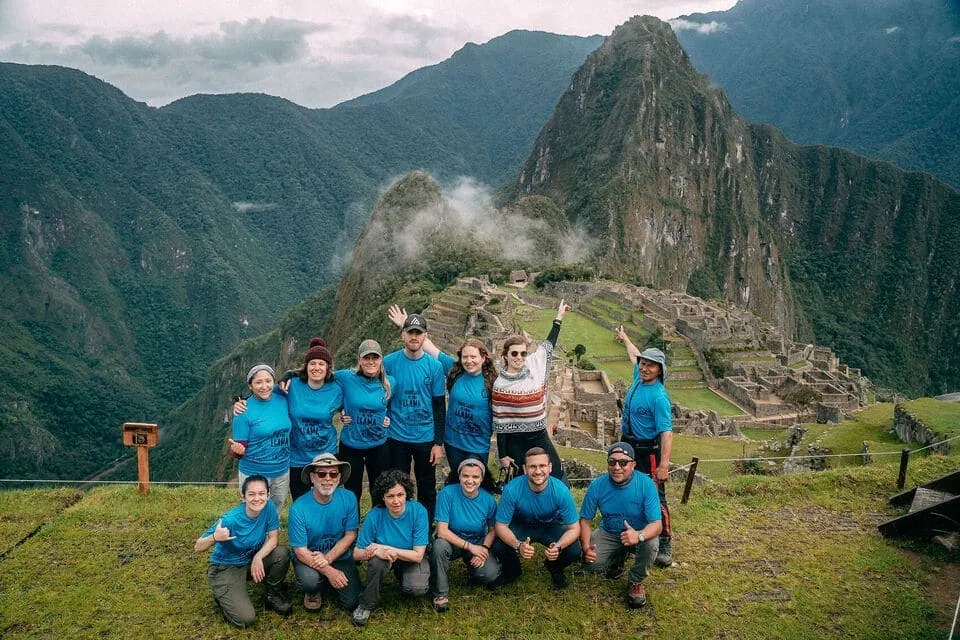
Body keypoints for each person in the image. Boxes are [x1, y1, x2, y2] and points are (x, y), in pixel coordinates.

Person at [387, 306, 498, 492]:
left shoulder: (493, 383)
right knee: (456, 482)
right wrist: (405, 326)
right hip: (453, 441)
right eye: (465, 357)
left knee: (475, 484)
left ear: (484, 358)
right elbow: (430, 348)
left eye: (474, 357)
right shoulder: (453, 370)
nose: (469, 361)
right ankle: (452, 520)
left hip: (478, 444)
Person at [194, 474, 291, 627]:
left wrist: (259, 557)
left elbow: (273, 538)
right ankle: (222, 594)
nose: (257, 498)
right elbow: (198, 546)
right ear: (243, 497)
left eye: (261, 494)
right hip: (226, 567)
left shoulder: (269, 507)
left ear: (268, 495)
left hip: (250, 559)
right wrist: (214, 537)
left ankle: (272, 594)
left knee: (282, 554)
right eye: (251, 494)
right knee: (246, 619)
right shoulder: (230, 520)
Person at [614, 325, 674, 567]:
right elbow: (633, 353)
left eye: (650, 365)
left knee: (655, 495)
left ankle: (665, 540)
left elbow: (667, 433)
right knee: (627, 488)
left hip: (648, 449)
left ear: (659, 370)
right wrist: (625, 337)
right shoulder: (639, 378)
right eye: (643, 363)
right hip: (628, 445)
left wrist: (664, 464)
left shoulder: (658, 397)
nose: (644, 367)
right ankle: (634, 532)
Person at [491, 299, 570, 480]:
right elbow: (501, 425)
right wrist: (503, 455)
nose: (519, 357)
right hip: (515, 441)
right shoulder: (500, 385)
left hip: (538, 436)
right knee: (521, 481)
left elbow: (549, 344)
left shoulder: (534, 366)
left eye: (523, 353)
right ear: (505, 355)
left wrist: (559, 317)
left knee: (556, 474)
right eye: (514, 353)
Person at [580, 442, 663, 608]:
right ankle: (618, 557)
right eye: (612, 462)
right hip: (609, 532)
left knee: (651, 543)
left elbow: (657, 525)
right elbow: (585, 521)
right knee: (590, 564)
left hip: (639, 533)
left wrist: (638, 535)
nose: (617, 467)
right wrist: (586, 548)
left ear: (633, 465)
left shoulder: (646, 485)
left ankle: (636, 581)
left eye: (623, 462)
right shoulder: (597, 485)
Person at [382, 313, 447, 523]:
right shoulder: (389, 362)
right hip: (397, 437)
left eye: (418, 333)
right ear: (403, 334)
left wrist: (438, 443)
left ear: (425, 336)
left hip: (425, 438)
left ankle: (425, 530)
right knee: (397, 485)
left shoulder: (434, 367)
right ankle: (399, 525)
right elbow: (374, 391)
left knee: (426, 486)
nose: (414, 337)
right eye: (410, 332)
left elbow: (439, 406)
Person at [493, 447, 581, 588]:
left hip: (550, 526)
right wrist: (518, 545)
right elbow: (500, 526)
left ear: (550, 467)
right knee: (498, 545)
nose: (538, 471)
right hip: (522, 525)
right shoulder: (512, 489)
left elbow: (574, 528)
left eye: (542, 466)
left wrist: (558, 546)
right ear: (525, 468)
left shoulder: (561, 491)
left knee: (574, 550)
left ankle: (554, 566)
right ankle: (512, 570)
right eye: (532, 466)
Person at [351, 470, 430, 626]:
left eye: (400, 495)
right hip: (385, 559)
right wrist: (373, 552)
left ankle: (407, 577)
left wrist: (385, 547)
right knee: (376, 561)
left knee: (416, 588)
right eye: (390, 496)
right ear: (382, 497)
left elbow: (418, 555)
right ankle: (366, 604)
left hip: (410, 558)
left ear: (407, 494)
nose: (396, 501)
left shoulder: (418, 511)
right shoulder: (374, 515)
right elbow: (356, 554)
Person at [288, 453, 361, 615]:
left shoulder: (349, 498)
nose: (328, 478)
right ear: (312, 478)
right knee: (310, 581)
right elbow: (300, 551)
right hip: (309, 557)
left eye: (333, 473)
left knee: (352, 602)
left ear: (338, 477)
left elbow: (350, 535)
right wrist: (330, 571)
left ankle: (327, 580)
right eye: (322, 474)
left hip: (338, 555)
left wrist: (327, 559)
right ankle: (314, 590)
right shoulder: (298, 508)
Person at [430, 458, 501, 612]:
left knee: (490, 575)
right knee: (439, 546)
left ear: (481, 479)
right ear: (459, 476)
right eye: (466, 476)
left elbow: (493, 529)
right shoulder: (447, 494)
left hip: (477, 542)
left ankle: (473, 571)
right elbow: (442, 531)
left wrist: (483, 549)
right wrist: (471, 547)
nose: (470, 481)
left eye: (475, 477)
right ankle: (440, 593)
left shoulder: (488, 500)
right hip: (452, 542)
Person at [334, 339, 394, 507]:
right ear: (359, 359)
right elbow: (321, 375)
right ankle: (352, 530)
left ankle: (377, 528)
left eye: (375, 357)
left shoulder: (390, 383)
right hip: (351, 446)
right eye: (366, 358)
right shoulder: (346, 377)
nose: (371, 362)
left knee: (379, 489)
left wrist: (389, 418)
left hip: (379, 446)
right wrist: (341, 410)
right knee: (352, 491)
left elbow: (396, 407)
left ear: (381, 359)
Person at [229, 364, 291, 510]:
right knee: (253, 511)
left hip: (282, 470)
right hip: (254, 472)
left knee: (276, 509)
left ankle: (272, 534)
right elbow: (239, 447)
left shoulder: (283, 398)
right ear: (250, 386)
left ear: (274, 381)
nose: (264, 386)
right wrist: (237, 451)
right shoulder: (243, 410)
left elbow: (301, 378)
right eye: (258, 382)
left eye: (268, 381)